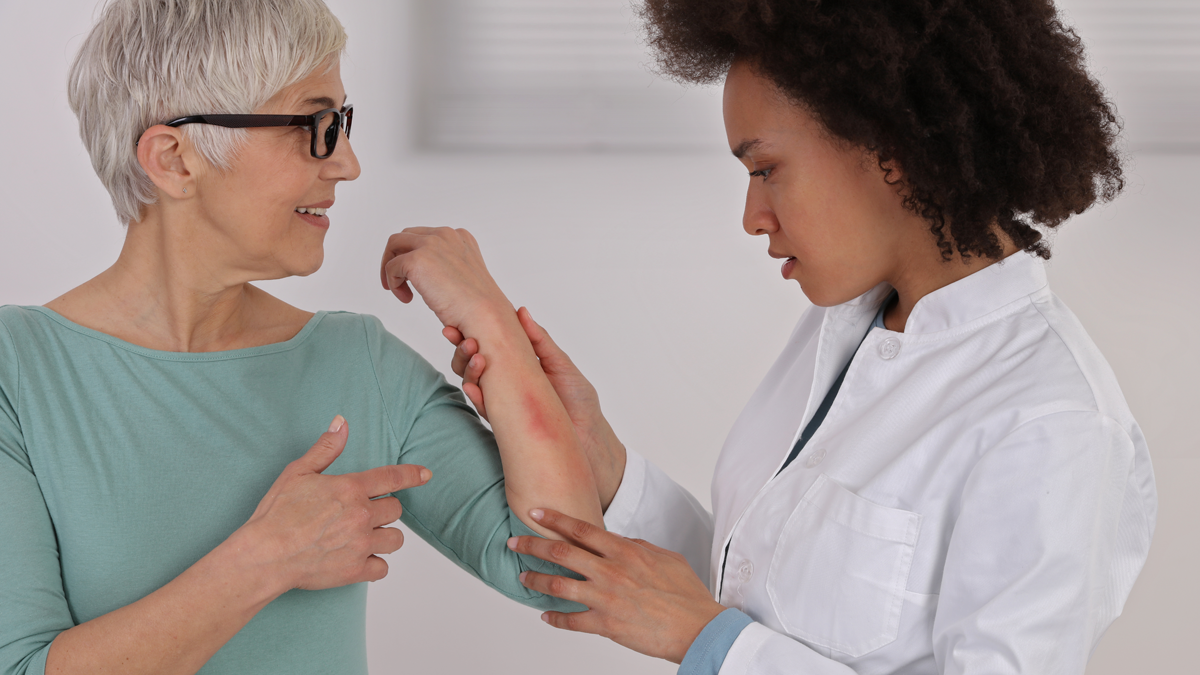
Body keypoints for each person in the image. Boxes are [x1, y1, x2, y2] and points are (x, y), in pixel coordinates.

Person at [407, 1, 1158, 673]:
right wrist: (607, 464)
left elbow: (727, 632)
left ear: (890, 148)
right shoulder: (842, 328)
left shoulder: (1051, 422)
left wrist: (709, 641)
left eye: (766, 168)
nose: (751, 215)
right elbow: (762, 589)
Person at [0, 1, 602, 674]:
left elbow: (570, 576)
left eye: (342, 123)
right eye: (315, 126)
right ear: (174, 159)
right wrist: (267, 558)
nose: (346, 163)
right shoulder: (17, 373)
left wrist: (493, 322)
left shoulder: (360, 365)